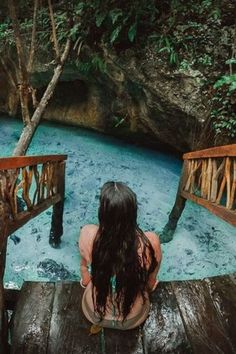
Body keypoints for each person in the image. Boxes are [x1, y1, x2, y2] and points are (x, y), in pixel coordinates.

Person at [78, 181, 162, 330]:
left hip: (94, 313)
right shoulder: (150, 241)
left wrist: (87, 282)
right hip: (131, 319)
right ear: (133, 213)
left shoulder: (88, 234)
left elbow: (85, 277)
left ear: (102, 213)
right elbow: (150, 283)